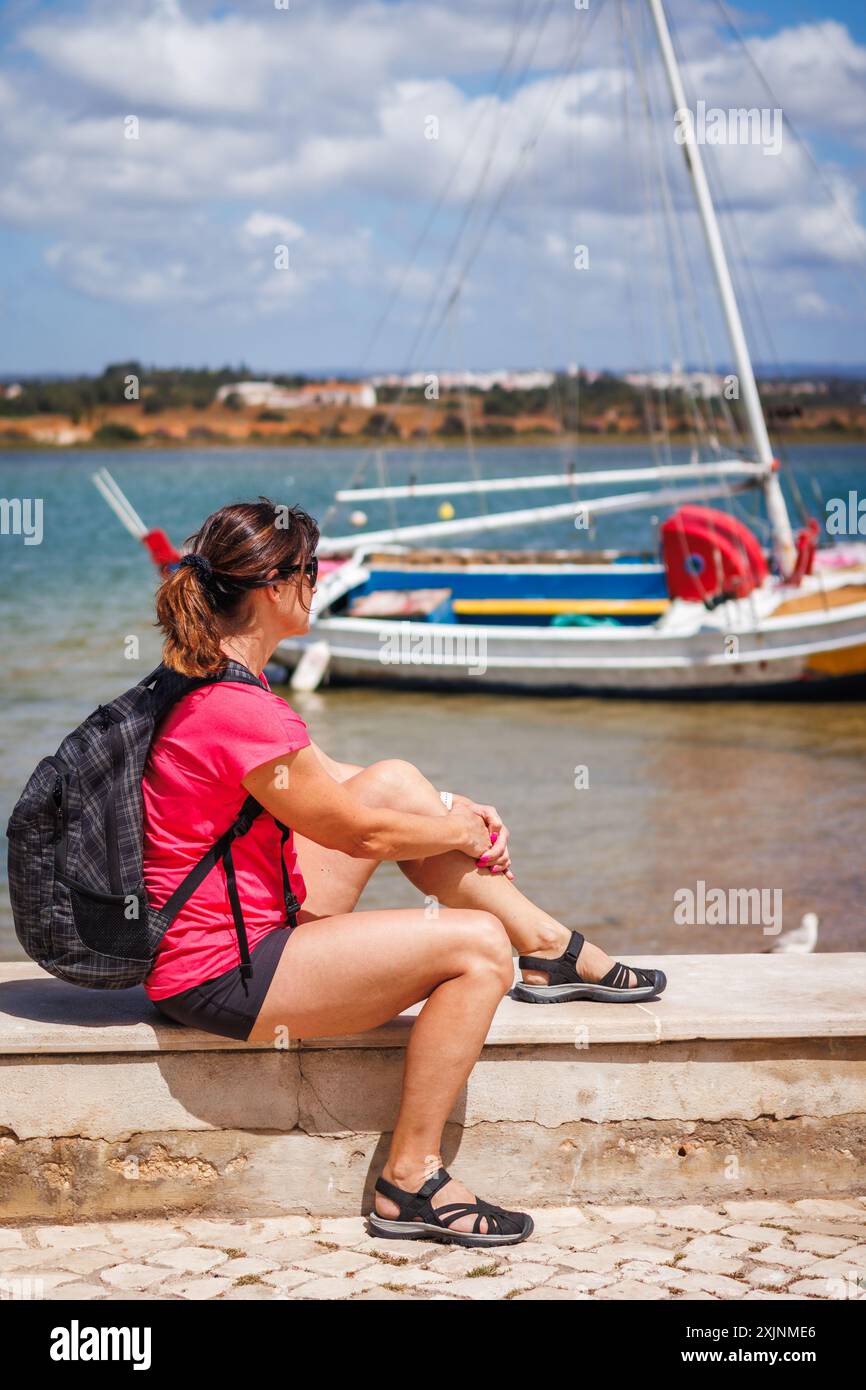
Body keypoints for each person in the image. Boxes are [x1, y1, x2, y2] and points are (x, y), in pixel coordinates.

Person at [142, 497, 666, 1246]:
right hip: (222, 972)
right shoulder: (239, 708)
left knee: (395, 778)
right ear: (270, 587)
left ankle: (548, 946)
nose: (319, 584)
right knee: (478, 948)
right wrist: (453, 828)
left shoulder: (213, 679)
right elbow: (354, 832)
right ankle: (411, 1181)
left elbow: (341, 785)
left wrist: (454, 806)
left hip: (238, 929)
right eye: (312, 571)